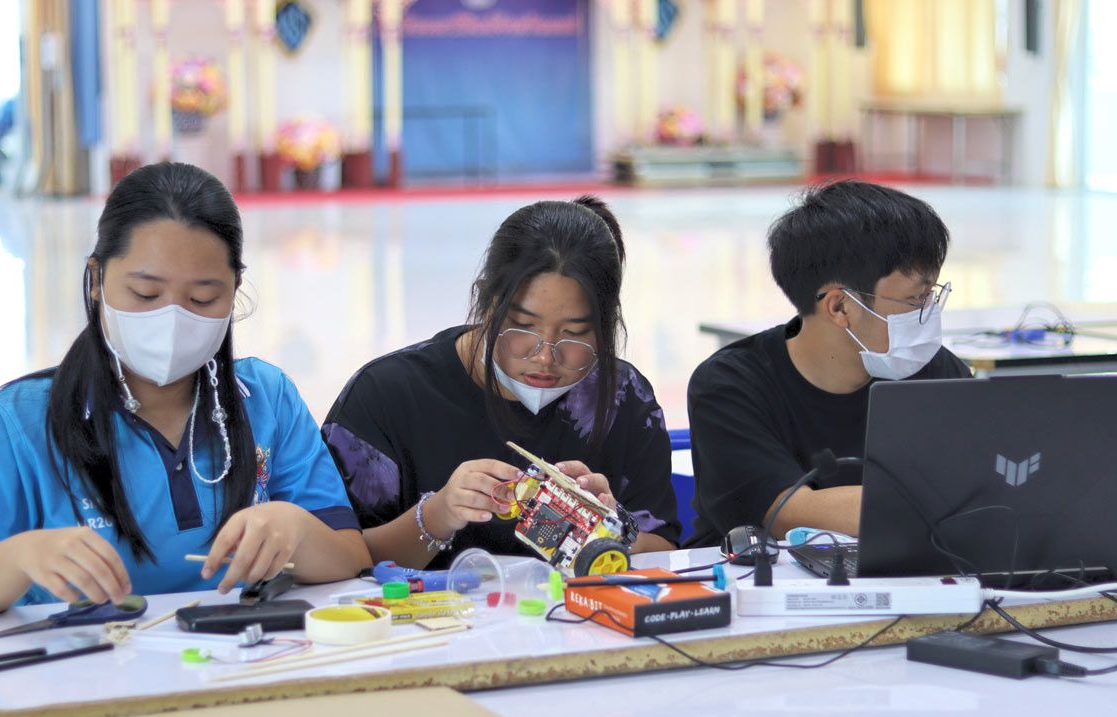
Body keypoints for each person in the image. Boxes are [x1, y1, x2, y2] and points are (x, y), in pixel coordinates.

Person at [0, 162, 369, 614]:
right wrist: (17, 559)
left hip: (242, 651)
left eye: (203, 299)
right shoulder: (18, 422)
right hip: (81, 658)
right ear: (97, 279)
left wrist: (297, 530)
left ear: (235, 290)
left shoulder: (269, 399)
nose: (172, 319)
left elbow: (351, 555)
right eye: (145, 294)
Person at [324, 196, 679, 569]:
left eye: (574, 334)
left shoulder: (623, 398)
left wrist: (610, 531)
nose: (545, 356)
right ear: (485, 301)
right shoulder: (386, 396)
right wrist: (436, 516)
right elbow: (335, 560)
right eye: (523, 327)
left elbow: (666, 551)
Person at [688, 180, 971, 544]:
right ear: (840, 307)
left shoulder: (938, 372)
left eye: (933, 294)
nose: (928, 312)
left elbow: (988, 486)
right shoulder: (729, 385)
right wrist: (946, 503)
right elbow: (786, 514)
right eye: (916, 299)